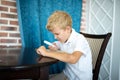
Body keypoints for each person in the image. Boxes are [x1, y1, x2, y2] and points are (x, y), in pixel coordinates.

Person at [36, 11, 92, 80]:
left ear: (68, 29)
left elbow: (73, 59)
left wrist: (46, 53)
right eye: (54, 34)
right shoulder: (63, 39)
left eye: (57, 34)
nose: (55, 37)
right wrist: (54, 46)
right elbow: (57, 44)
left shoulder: (80, 39)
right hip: (67, 74)